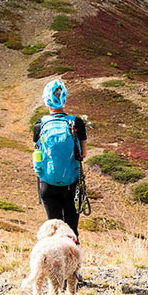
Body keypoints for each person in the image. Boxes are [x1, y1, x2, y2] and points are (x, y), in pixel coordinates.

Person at [32, 79, 87, 241]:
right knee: (71, 230)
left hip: (47, 184)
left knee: (54, 229)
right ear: (64, 99)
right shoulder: (76, 122)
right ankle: (74, 263)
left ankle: (55, 263)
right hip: (71, 183)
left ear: (46, 100)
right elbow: (83, 154)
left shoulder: (40, 124)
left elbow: (38, 153)